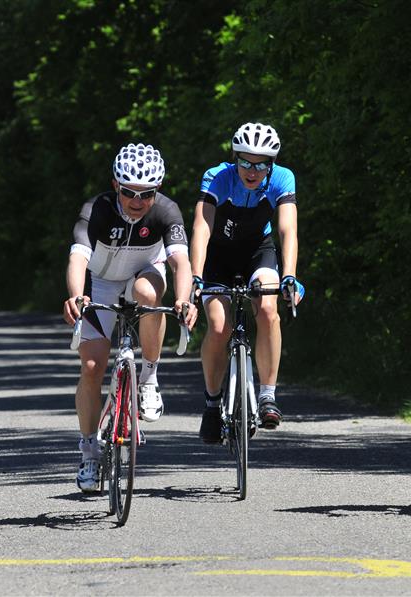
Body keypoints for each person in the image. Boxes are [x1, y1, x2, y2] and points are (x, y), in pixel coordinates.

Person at [63, 143, 198, 492]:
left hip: (144, 273)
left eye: (146, 194)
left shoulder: (166, 211)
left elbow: (180, 262)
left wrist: (184, 299)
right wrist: (76, 295)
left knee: (149, 294)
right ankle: (89, 451)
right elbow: (78, 258)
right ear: (115, 186)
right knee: (92, 367)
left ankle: (149, 378)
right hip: (101, 283)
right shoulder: (96, 209)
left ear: (158, 190)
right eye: (129, 192)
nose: (137, 201)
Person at [190, 122, 304, 444]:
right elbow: (201, 228)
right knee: (218, 327)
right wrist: (195, 276)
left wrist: (290, 276)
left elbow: (288, 230)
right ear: (235, 158)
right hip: (218, 256)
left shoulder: (283, 178)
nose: (252, 171)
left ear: (272, 164)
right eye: (245, 162)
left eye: (261, 164)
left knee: (268, 310)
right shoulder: (217, 177)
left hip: (257, 252)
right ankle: (213, 403)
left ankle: (267, 395)